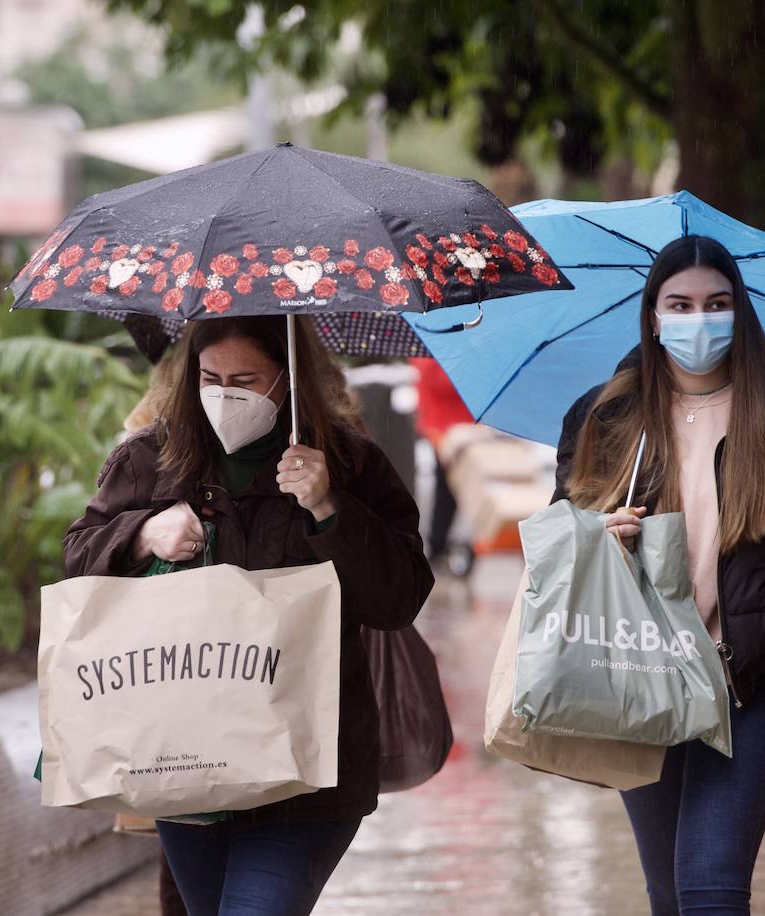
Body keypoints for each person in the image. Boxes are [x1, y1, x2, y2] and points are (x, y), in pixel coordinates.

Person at [63, 315, 434, 915]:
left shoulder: (347, 462)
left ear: (286, 380)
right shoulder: (148, 458)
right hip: (185, 759)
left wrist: (328, 508)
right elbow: (77, 561)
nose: (224, 392)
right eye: (210, 377)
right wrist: (142, 533)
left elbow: (399, 599)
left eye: (245, 378)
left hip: (306, 772)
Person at [553, 235, 765, 914]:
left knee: (710, 884)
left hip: (748, 685)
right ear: (652, 316)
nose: (699, 319)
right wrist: (597, 535)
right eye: (680, 304)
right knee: (669, 894)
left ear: (740, 312)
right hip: (641, 680)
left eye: (716, 303)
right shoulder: (605, 416)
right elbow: (559, 539)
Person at [409, 356, 473, 571]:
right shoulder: (436, 357)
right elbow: (441, 385)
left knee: (453, 491)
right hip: (447, 433)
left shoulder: (431, 355)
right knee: (449, 492)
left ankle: (444, 545)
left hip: (459, 432)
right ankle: (441, 545)